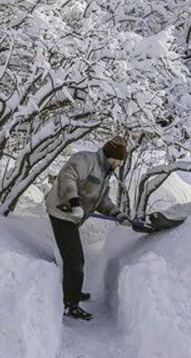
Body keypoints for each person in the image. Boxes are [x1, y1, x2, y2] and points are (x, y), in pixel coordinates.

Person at [45, 135, 132, 321]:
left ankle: (73, 292)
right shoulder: (86, 160)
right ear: (112, 157)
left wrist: (118, 215)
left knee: (75, 259)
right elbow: (67, 176)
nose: (119, 165)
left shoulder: (104, 174)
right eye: (119, 160)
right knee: (75, 260)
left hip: (72, 216)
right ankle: (70, 305)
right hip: (61, 211)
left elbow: (102, 201)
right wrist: (74, 202)